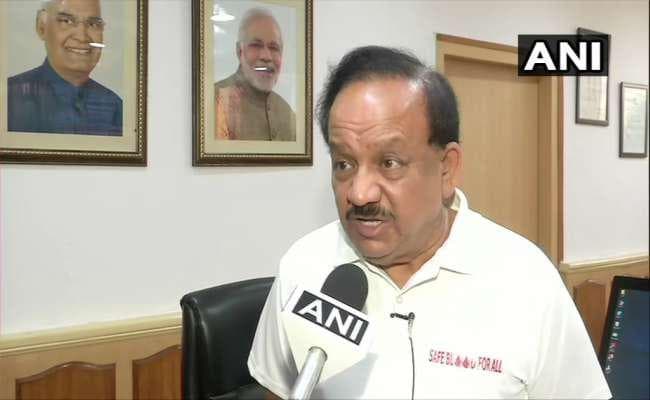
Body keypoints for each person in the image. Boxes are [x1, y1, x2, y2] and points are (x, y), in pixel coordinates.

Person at [247, 46, 611, 399]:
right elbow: (280, 390)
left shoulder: (527, 279)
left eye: (389, 163)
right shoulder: (304, 266)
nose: (359, 194)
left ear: (447, 169)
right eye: (344, 164)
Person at [7, 0, 122, 136]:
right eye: (66, 21)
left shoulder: (114, 106)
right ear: (42, 28)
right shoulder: (10, 98)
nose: (82, 37)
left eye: (93, 24)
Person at [214, 8, 295, 141]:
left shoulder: (287, 113)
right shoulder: (216, 102)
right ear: (239, 51)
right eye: (256, 45)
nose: (266, 56)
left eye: (274, 48)